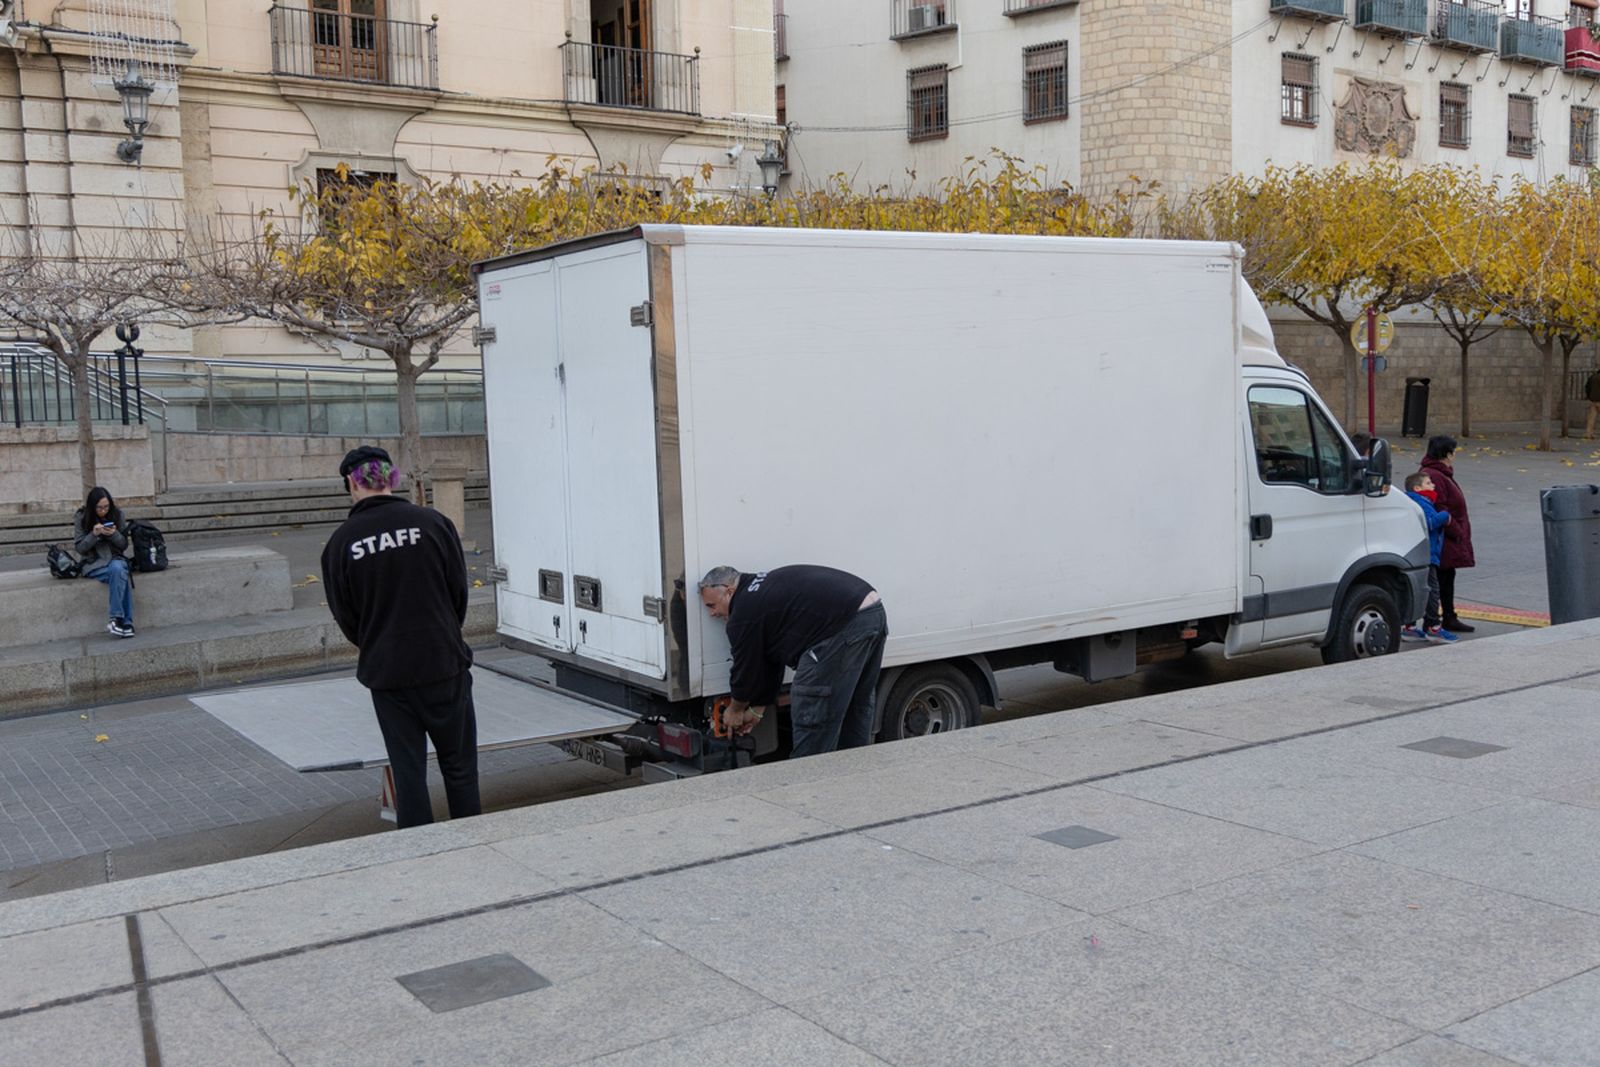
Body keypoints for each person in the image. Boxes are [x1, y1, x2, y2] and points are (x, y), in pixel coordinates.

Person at [320, 446, 480, 829]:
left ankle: (421, 857)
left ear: (350, 483)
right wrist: (441, 634)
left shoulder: (341, 545)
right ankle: (474, 845)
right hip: (444, 665)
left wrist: (380, 642)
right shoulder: (434, 524)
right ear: (392, 478)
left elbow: (347, 618)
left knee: (408, 775)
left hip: (389, 675)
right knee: (459, 768)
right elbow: (458, 594)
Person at [698, 564, 888, 758]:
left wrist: (735, 709)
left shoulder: (742, 613)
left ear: (729, 592)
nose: (712, 614)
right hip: (872, 613)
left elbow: (745, 668)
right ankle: (853, 772)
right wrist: (758, 709)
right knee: (856, 704)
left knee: (812, 701)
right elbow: (772, 659)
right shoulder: (760, 592)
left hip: (844, 623)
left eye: (711, 606)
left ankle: (806, 780)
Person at [1420, 434, 1476, 633]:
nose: (1454, 455)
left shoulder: (1441, 473)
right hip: (1444, 537)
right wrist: (1456, 529)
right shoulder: (1435, 475)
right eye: (1453, 451)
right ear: (1446, 453)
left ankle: (1448, 616)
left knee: (1446, 577)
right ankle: (1440, 619)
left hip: (1449, 536)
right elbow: (1439, 506)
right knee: (1441, 579)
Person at [1399, 472, 1457, 645]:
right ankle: (1434, 627)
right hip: (1427, 554)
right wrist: (1445, 516)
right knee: (1432, 589)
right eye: (1428, 483)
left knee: (1418, 588)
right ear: (1418, 488)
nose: (1433, 486)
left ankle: (1409, 627)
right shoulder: (1422, 503)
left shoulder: (1412, 502)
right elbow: (1430, 523)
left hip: (1416, 553)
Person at [74, 487, 134, 638]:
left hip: (115, 560)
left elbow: (123, 545)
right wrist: (93, 534)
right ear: (92, 506)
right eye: (99, 507)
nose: (103, 511)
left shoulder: (117, 514)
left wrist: (114, 534)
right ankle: (125, 622)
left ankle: (117, 619)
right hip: (94, 563)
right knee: (121, 574)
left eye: (106, 507)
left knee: (118, 569)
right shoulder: (81, 517)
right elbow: (80, 548)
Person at [1585, 369, 1600, 440]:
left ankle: (1589, 434)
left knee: (1591, 419)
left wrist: (1589, 396)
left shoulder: (1592, 377)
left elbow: (1587, 387)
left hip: (1592, 400)